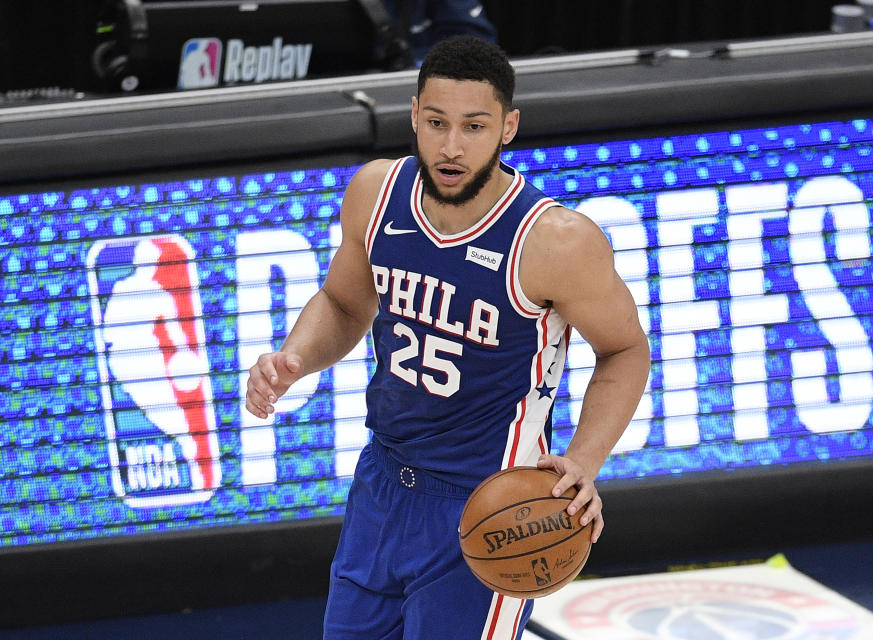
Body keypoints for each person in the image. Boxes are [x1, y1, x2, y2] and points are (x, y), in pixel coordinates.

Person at [245, 35, 650, 640]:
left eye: (474, 126)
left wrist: (583, 463)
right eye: (436, 123)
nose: (451, 147)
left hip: (491, 503)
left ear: (508, 127)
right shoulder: (376, 194)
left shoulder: (555, 241)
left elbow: (625, 350)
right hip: (381, 483)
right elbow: (343, 302)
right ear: (413, 116)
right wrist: (296, 358)